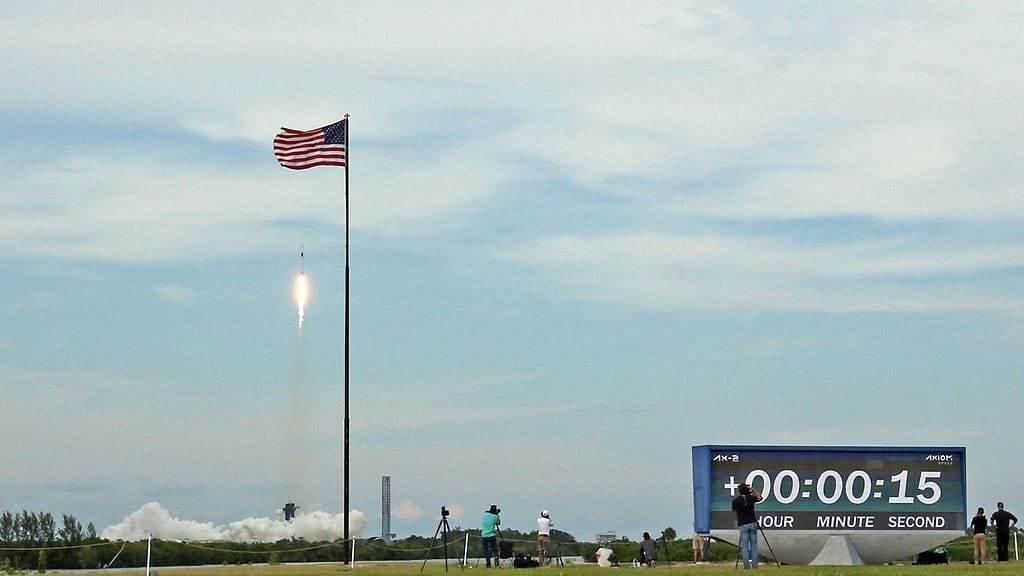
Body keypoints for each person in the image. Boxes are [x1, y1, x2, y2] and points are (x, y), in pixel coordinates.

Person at [731, 482, 763, 569]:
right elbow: (760, 498)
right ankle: (755, 565)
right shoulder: (751, 498)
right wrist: (753, 489)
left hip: (743, 524)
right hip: (752, 523)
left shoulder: (736, 500)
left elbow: (733, 510)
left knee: (745, 547)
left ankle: (746, 566)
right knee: (754, 546)